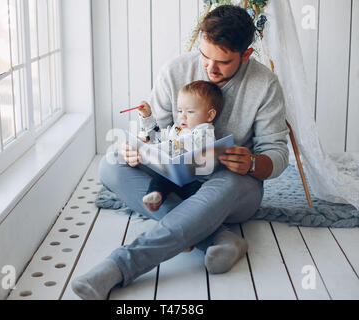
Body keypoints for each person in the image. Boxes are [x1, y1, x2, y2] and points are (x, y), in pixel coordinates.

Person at [72, 4, 289, 300]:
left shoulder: (264, 85)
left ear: (246, 55)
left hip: (233, 184)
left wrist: (252, 162)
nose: (210, 69)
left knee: (222, 185)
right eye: (204, 56)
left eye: (223, 62)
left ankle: (118, 266)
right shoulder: (176, 70)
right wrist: (138, 149)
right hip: (178, 178)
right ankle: (218, 238)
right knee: (111, 164)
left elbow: (276, 155)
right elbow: (157, 132)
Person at [139, 80, 223, 212]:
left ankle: (193, 212)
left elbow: (179, 145)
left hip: (196, 180)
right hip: (175, 175)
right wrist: (147, 117)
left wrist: (154, 149)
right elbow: (158, 137)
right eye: (179, 111)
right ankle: (156, 196)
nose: (182, 117)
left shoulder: (205, 132)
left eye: (190, 112)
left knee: (199, 197)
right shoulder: (178, 129)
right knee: (160, 179)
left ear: (209, 115)